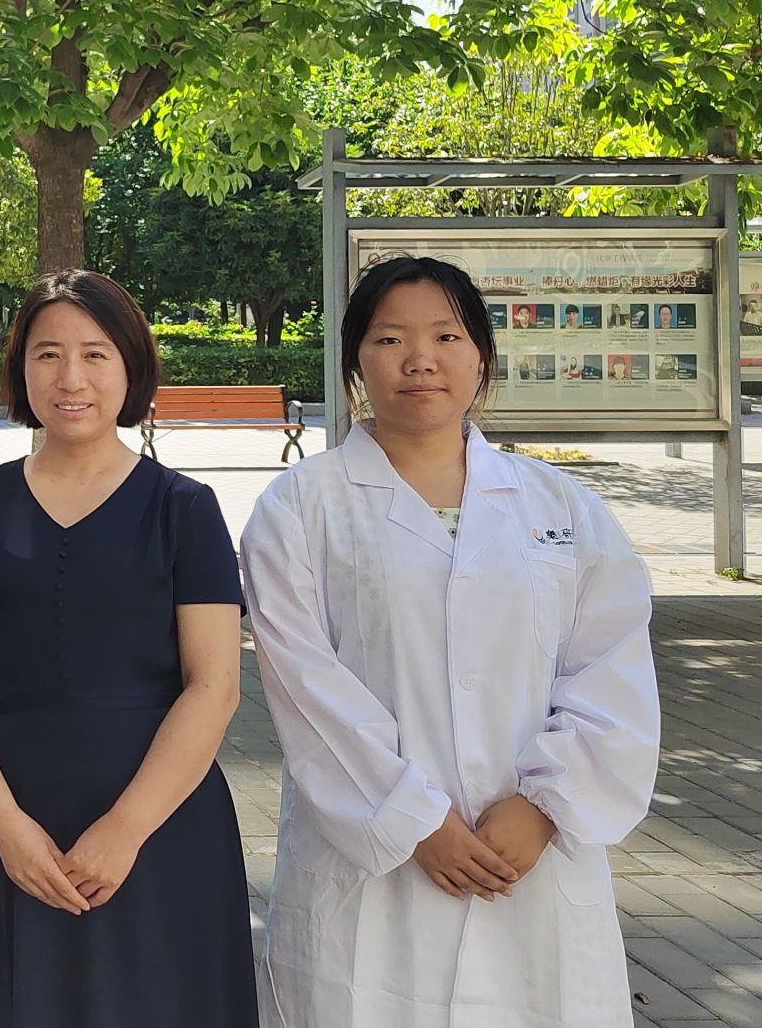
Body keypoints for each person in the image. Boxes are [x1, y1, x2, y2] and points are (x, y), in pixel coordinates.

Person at [241, 255, 658, 1028]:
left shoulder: (563, 507)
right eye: (389, 339)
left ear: (482, 357)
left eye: (446, 336)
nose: (420, 359)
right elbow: (305, 685)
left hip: (531, 862)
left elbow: (611, 668)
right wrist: (414, 821)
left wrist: (544, 806)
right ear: (355, 362)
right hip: (373, 868)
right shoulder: (300, 507)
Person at [0, 271, 255, 1028]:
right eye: (47, 354)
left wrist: (125, 828)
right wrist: (3, 825)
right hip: (16, 811)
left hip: (161, 814)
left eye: (95, 354)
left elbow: (214, 686)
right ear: (20, 370)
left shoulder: (185, 508)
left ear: (131, 366)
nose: (71, 378)